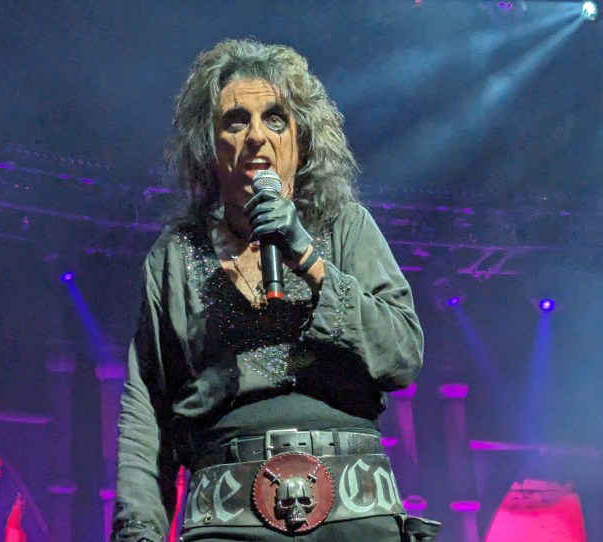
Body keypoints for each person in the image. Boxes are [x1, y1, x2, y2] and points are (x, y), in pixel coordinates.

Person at [111, 39, 439, 542]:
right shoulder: (175, 255)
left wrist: (308, 259)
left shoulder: (345, 227)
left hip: (354, 514)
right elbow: (147, 409)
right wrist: (138, 530)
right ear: (209, 145)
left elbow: (403, 355)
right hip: (225, 518)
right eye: (235, 121)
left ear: (300, 142)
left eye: (275, 119)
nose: (256, 137)